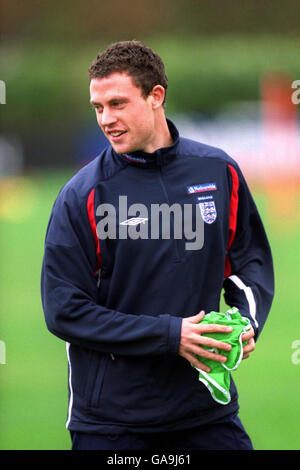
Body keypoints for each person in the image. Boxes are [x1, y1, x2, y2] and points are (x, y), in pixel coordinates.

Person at [41, 40, 274, 451]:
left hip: (205, 413)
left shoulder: (218, 171)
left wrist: (246, 321)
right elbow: (64, 310)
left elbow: (249, 261)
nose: (106, 119)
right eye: (98, 108)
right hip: (112, 423)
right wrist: (171, 335)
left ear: (155, 97)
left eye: (117, 104)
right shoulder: (83, 195)